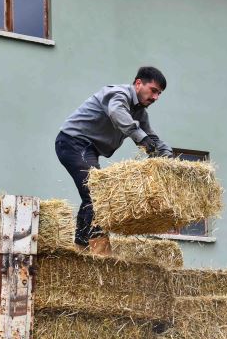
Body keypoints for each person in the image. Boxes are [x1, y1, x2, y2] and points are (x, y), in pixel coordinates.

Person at [55, 66, 173, 255]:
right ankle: (99, 250)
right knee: (97, 192)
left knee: (92, 194)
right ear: (138, 83)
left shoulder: (140, 113)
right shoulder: (118, 94)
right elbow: (118, 114)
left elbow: (152, 138)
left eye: (159, 94)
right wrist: (140, 138)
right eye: (153, 90)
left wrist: (169, 157)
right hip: (72, 141)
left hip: (88, 149)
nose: (155, 97)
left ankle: (80, 247)